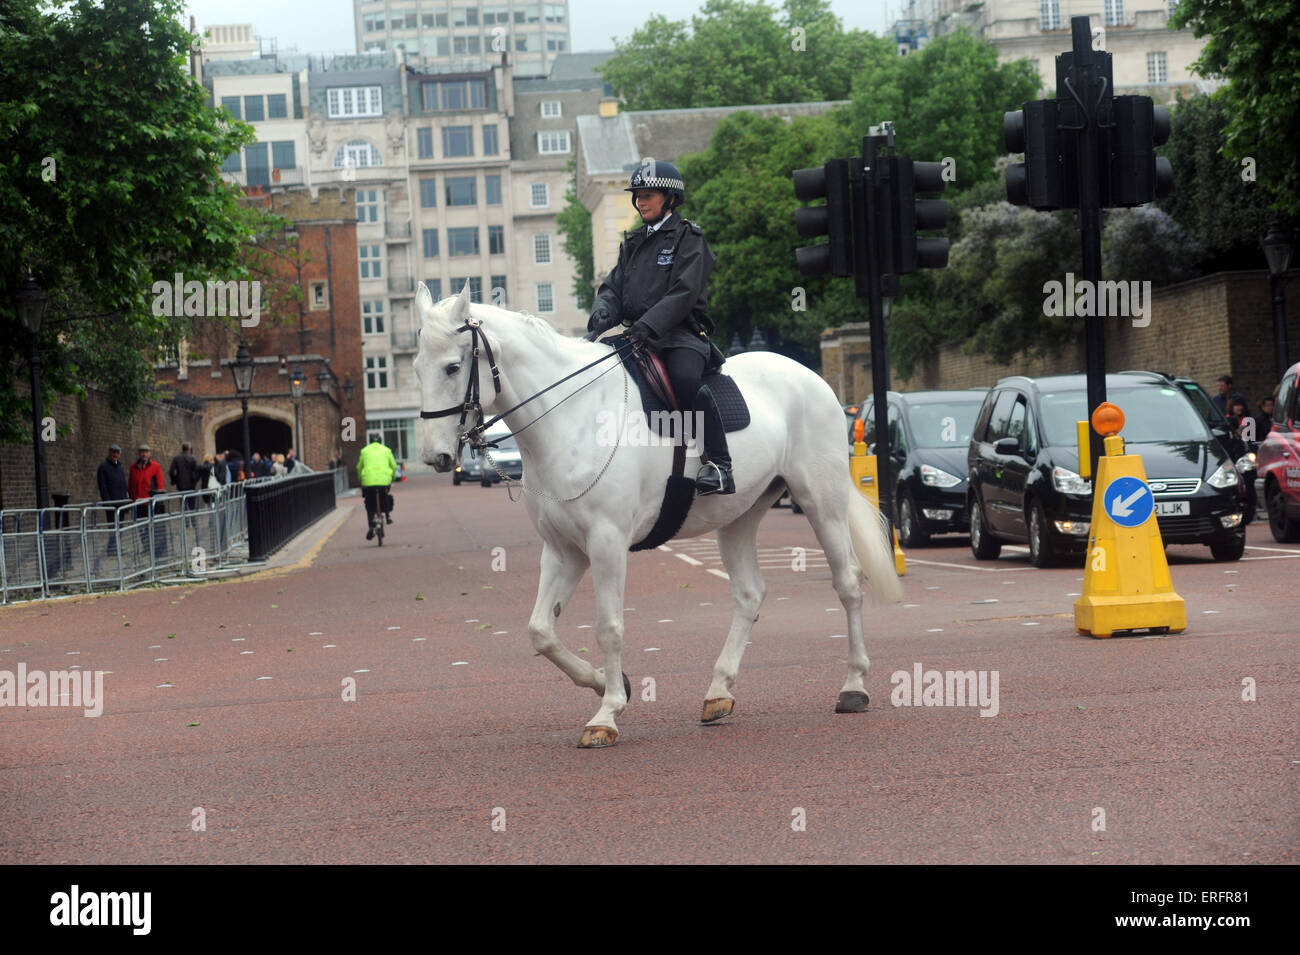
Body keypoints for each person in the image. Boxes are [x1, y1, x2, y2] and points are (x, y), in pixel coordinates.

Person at [586, 157, 733, 494]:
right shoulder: (633, 243)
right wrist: (601, 313)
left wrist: (647, 326)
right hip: (640, 336)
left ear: (669, 199)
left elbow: (684, 292)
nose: (641, 201)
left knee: (683, 379)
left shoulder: (688, 237)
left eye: (649, 194)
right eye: (637, 195)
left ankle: (719, 463)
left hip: (680, 335)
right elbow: (612, 288)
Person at [357, 437, 397, 539]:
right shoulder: (387, 450)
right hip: (384, 481)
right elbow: (394, 466)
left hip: (368, 482)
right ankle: (387, 516)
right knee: (385, 495)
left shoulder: (364, 451)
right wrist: (392, 478)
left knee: (369, 503)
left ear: (369, 442)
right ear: (381, 442)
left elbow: (359, 467)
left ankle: (371, 526)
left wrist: (361, 478)